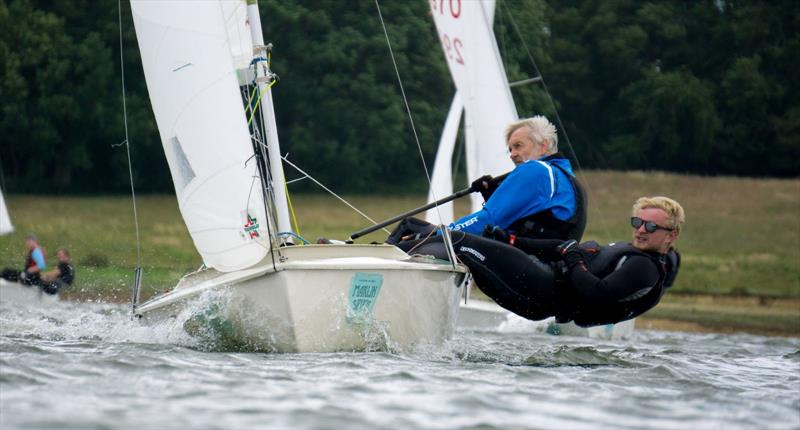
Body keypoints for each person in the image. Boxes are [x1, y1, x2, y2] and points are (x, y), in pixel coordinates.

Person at [398, 196, 683, 327]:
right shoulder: (630, 253)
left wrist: (573, 260)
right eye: (638, 222)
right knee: (458, 248)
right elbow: (562, 247)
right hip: (539, 285)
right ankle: (398, 258)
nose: (641, 230)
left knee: (456, 240)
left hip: (542, 288)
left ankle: (390, 252)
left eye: (651, 227)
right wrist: (513, 241)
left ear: (672, 234)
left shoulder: (644, 267)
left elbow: (595, 292)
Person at [387, 115, 586, 245]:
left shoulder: (536, 170)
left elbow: (489, 220)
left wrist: (442, 234)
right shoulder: (564, 176)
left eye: (518, 146)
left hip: (530, 261)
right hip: (544, 260)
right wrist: (491, 193)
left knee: (411, 227)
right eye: (510, 149)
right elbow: (528, 218)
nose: (512, 154)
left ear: (543, 146)